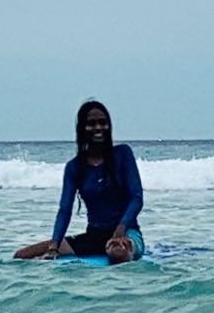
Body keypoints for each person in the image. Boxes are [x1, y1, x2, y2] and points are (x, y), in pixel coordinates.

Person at [13, 99, 146, 263]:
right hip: (94, 237)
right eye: (91, 123)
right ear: (82, 128)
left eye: (102, 122)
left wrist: (120, 229)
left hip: (127, 233)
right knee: (22, 255)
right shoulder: (74, 167)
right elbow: (65, 210)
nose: (98, 127)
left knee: (117, 253)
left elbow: (137, 197)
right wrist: (54, 247)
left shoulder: (123, 154)